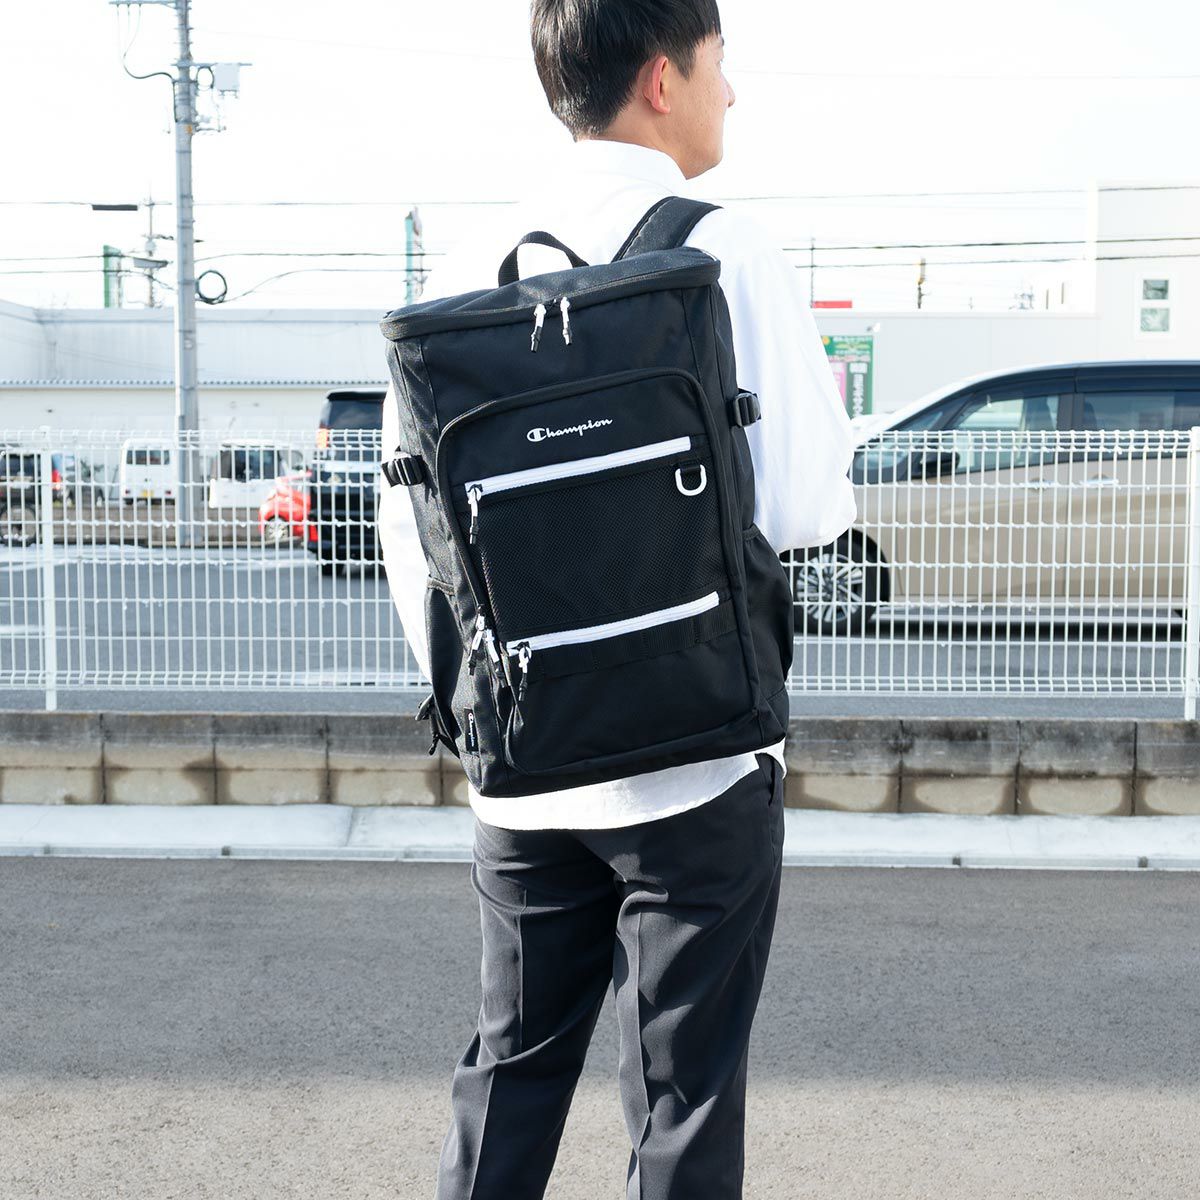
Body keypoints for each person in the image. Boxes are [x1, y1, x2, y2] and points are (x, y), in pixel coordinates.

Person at [377, 2, 857, 1196]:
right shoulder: (722, 250)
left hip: (528, 760)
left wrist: (485, 713)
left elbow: (410, 532)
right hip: (698, 755)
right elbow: (806, 506)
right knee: (682, 1101)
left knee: (509, 1075)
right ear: (661, 77)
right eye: (721, 65)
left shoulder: (463, 268)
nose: (730, 92)